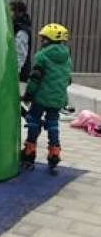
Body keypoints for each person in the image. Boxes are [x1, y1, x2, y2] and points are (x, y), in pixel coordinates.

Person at [20, 23, 72, 174]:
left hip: (40, 98)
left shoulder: (42, 56)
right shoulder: (67, 58)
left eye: (44, 38)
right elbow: (67, 80)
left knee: (33, 121)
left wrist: (28, 94)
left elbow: (35, 78)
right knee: (53, 123)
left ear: (48, 40)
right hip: (58, 99)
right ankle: (54, 154)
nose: (42, 41)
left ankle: (29, 153)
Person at [10, 1, 32, 82]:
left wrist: (15, 73)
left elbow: (20, 53)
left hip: (20, 75)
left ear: (18, 12)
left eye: (10, 10)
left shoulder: (22, 30)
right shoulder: (18, 27)